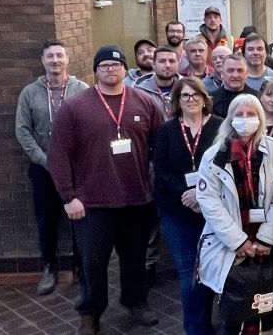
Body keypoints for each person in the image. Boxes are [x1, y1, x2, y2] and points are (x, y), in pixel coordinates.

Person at [48, 45, 164, 334]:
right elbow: (58, 155)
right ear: (96, 70)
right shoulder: (75, 107)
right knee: (93, 264)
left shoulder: (145, 103)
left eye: (116, 64)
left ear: (125, 69)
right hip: (92, 202)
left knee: (135, 260)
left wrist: (155, 184)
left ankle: (135, 302)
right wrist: (69, 196)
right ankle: (90, 312)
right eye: (104, 66)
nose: (110, 69)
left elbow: (160, 146)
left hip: (137, 199)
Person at [194, 94, 273, 335]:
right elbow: (209, 202)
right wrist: (238, 240)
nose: (244, 119)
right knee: (235, 308)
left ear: (260, 118)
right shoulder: (214, 155)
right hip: (231, 245)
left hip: (269, 244)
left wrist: (265, 238)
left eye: (251, 114)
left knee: (268, 304)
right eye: (238, 115)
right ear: (229, 119)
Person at [15, 40, 89, 295]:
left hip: (77, 169)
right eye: (50, 56)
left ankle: (82, 268)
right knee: (46, 219)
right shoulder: (29, 93)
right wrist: (45, 160)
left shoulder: (82, 89)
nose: (55, 60)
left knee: (80, 218)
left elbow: (91, 127)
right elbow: (23, 131)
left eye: (59, 56)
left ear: (67, 59)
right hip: (43, 169)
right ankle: (49, 266)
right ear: (42, 61)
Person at [152, 77, 222, 335]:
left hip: (212, 213)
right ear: (177, 102)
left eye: (196, 95)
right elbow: (161, 170)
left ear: (205, 99)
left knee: (210, 273)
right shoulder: (167, 130)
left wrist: (201, 196)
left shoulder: (219, 127)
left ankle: (208, 325)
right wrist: (187, 194)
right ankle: (196, 329)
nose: (191, 99)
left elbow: (223, 168)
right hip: (177, 211)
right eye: (185, 96)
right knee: (188, 275)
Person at [135, 45, 181, 119]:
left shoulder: (185, 87)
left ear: (177, 64)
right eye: (162, 61)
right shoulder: (140, 91)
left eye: (172, 61)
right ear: (153, 65)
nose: (167, 65)